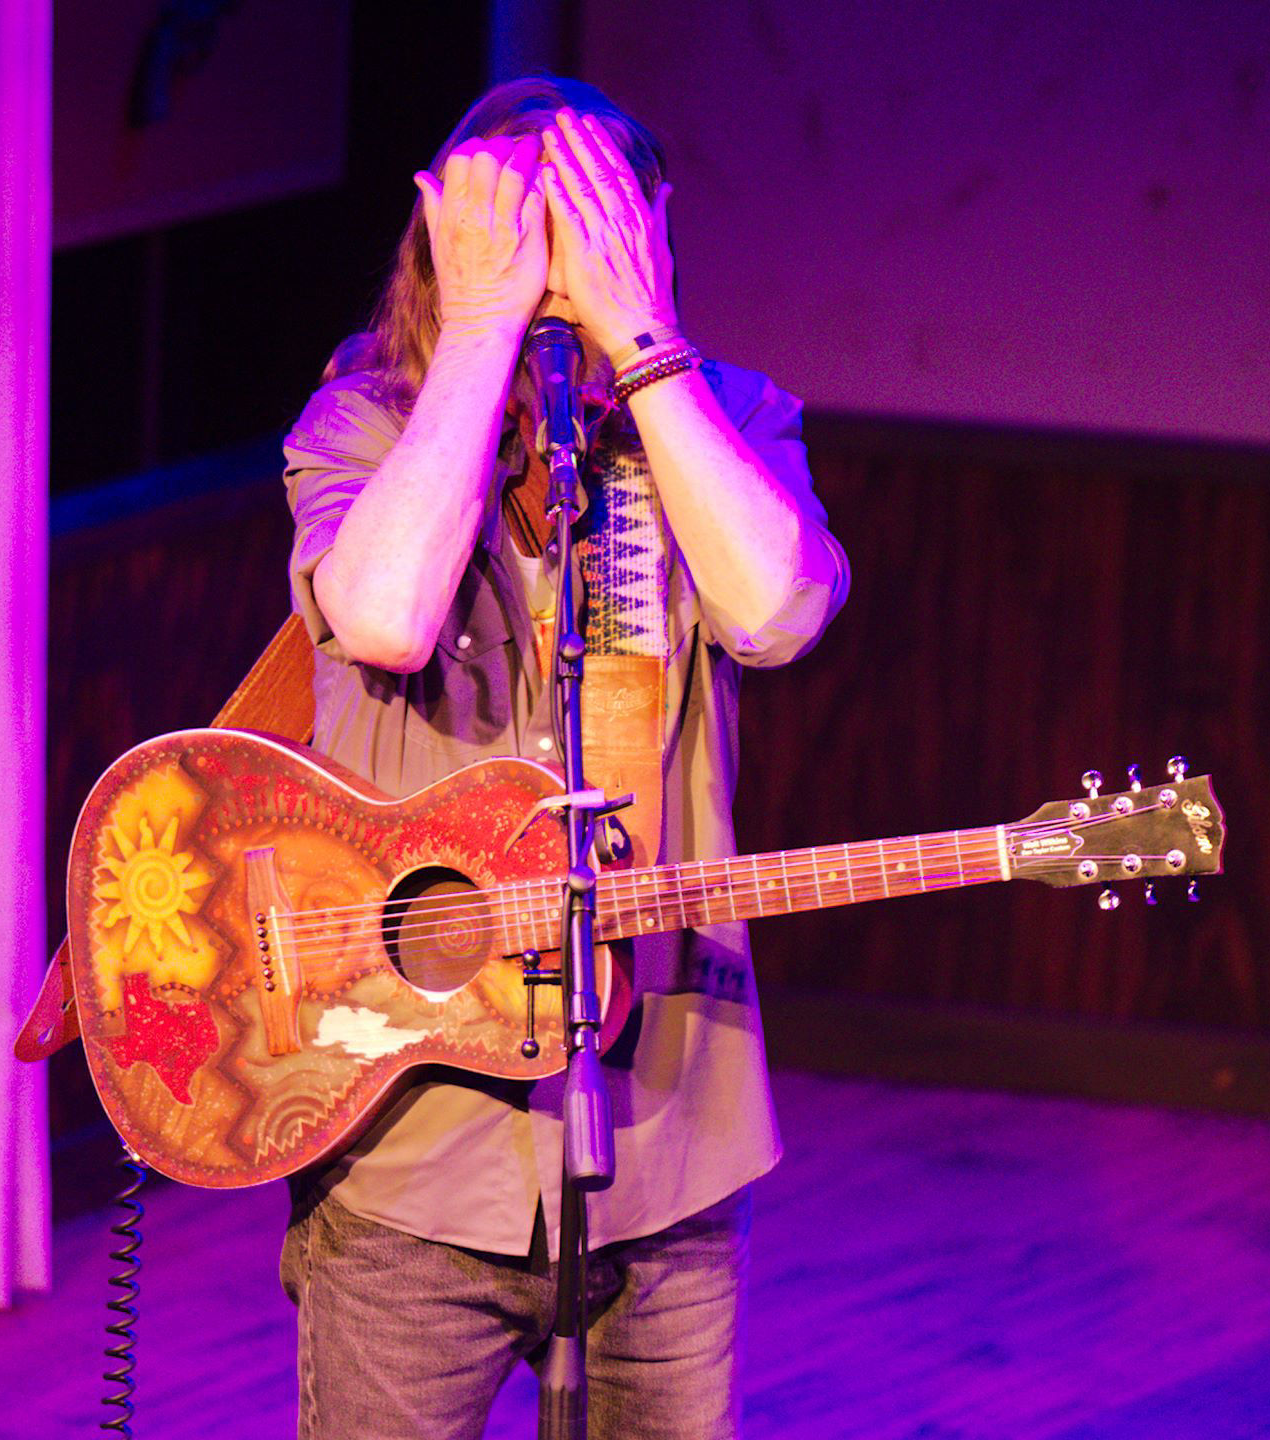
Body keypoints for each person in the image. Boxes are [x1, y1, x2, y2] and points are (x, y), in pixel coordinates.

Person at [277, 75, 849, 1440]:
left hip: (667, 1145)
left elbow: (776, 613)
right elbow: (383, 617)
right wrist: (481, 331)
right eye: (520, 228)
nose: (555, 266)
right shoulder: (365, 426)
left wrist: (643, 345)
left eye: (588, 226)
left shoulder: (728, 420)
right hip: (413, 1149)